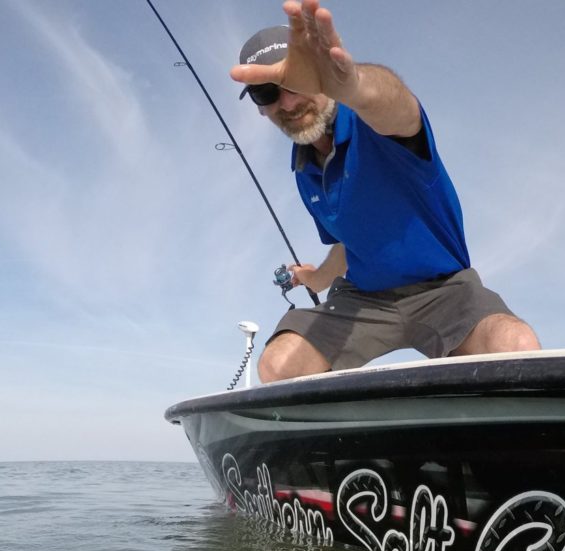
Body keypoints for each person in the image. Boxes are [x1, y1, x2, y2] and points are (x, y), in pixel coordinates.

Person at [230, 0, 541, 382]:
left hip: (442, 289)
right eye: (267, 93)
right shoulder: (303, 171)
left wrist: (354, 85)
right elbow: (346, 246)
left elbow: (400, 108)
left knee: (515, 346)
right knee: (278, 366)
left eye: (298, 82)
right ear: (260, 108)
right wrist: (314, 278)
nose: (289, 102)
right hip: (362, 299)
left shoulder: (371, 122)